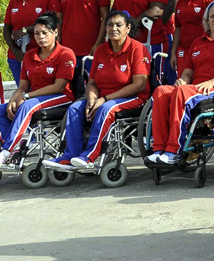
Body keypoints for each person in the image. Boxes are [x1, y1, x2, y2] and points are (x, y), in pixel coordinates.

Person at [42, 11, 150, 170]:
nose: (114, 28)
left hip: (133, 97)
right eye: (110, 24)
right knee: (74, 109)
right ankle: (69, 155)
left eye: (119, 25)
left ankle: (89, 156)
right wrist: (92, 99)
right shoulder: (100, 50)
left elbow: (139, 84)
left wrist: (104, 100)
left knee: (106, 109)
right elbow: (91, 82)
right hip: (102, 97)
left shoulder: (137, 49)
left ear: (128, 28)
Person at [146, 1, 214, 165]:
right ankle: (158, 148)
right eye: (211, 16)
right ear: (206, 20)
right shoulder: (198, 42)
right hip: (196, 88)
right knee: (161, 92)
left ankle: (173, 151)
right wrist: (182, 80)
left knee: (182, 93)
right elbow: (188, 71)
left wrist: (213, 82)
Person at [0, 13, 75, 163]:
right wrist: (14, 100)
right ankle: (15, 149)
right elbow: (23, 86)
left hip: (61, 97)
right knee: (2, 109)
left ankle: (7, 151)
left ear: (55, 32)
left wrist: (27, 97)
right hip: (34, 97)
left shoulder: (65, 54)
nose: (40, 37)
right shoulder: (29, 56)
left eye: (44, 33)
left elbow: (59, 86)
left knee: (27, 106)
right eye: (36, 33)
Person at [54, 0, 110, 98]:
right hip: (68, 49)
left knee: (93, 88)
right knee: (72, 90)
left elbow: (106, 17)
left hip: (92, 49)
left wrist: (98, 44)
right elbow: (58, 19)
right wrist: (58, 44)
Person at [3, 0, 56, 97]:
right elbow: (7, 28)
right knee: (22, 92)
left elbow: (51, 22)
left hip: (40, 55)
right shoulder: (15, 1)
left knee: (36, 93)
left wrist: (26, 29)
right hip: (17, 57)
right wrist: (15, 50)